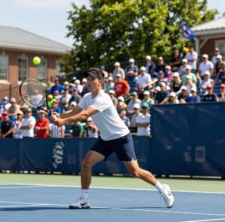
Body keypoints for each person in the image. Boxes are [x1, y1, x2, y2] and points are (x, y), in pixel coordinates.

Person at [52, 68, 174, 209]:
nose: (89, 82)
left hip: (121, 137)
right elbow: (74, 112)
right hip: (105, 139)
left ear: (101, 81)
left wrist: (62, 122)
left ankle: (162, 188)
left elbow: (84, 115)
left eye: (92, 79)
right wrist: (59, 116)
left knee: (135, 171)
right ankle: (84, 199)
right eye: (88, 79)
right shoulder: (86, 98)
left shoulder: (103, 99)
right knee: (86, 163)